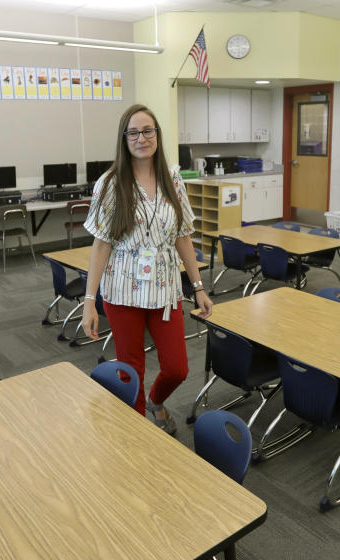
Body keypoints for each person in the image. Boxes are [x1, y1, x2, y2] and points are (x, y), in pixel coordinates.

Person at [82, 104, 213, 433]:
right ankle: (139, 436)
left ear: (157, 135)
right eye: (134, 132)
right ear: (124, 139)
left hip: (166, 288)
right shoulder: (110, 184)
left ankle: (156, 401)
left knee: (178, 367)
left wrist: (197, 287)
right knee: (131, 370)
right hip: (123, 289)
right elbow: (101, 244)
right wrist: (88, 301)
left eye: (148, 130)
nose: (142, 138)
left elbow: (183, 235)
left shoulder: (173, 179)